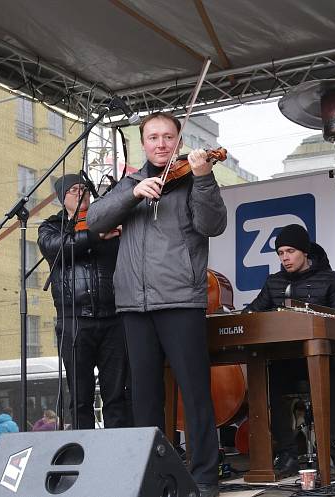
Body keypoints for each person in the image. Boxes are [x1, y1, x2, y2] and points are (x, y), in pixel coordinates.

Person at [86, 112, 226, 497]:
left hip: (180, 299)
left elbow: (213, 224)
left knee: (194, 392)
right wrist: (132, 193)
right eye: (153, 137)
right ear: (143, 142)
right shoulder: (130, 183)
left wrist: (203, 177)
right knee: (144, 397)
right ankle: (153, 476)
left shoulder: (194, 177)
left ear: (179, 142)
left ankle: (203, 478)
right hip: (133, 303)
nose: (161, 143)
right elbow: (94, 219)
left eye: (168, 137)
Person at [245, 224, 335, 476]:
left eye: (290, 251)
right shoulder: (273, 283)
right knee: (265, 378)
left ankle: (325, 450)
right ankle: (287, 454)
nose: (284, 257)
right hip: (285, 360)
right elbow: (252, 314)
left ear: (305, 252)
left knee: (330, 372)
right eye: (280, 252)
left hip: (324, 358)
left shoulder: (331, 280)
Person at [38, 174, 132, 430]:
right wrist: (96, 235)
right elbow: (57, 247)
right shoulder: (51, 226)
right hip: (74, 320)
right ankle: (84, 455)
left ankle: (118, 455)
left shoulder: (107, 222)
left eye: (85, 189)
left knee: (116, 395)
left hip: (112, 317)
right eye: (74, 190)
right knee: (80, 398)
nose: (81, 194)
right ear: (62, 197)